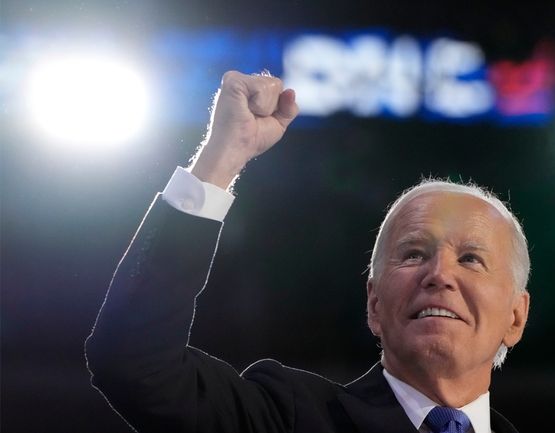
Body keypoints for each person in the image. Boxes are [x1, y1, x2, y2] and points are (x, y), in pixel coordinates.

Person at [86, 70, 531, 433]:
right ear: (374, 304)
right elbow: (133, 363)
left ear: (516, 316)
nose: (439, 274)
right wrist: (224, 155)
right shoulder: (290, 418)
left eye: (470, 258)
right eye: (414, 254)